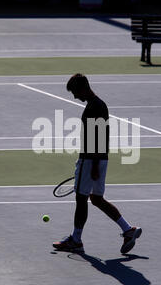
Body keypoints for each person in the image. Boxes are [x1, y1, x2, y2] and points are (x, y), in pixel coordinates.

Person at [53, 73, 142, 254]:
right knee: (96, 199)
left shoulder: (95, 107)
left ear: (83, 87)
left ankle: (76, 240)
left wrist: (92, 165)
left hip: (91, 159)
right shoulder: (98, 105)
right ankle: (128, 230)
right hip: (100, 159)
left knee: (81, 198)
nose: (75, 97)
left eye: (75, 92)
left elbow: (98, 137)